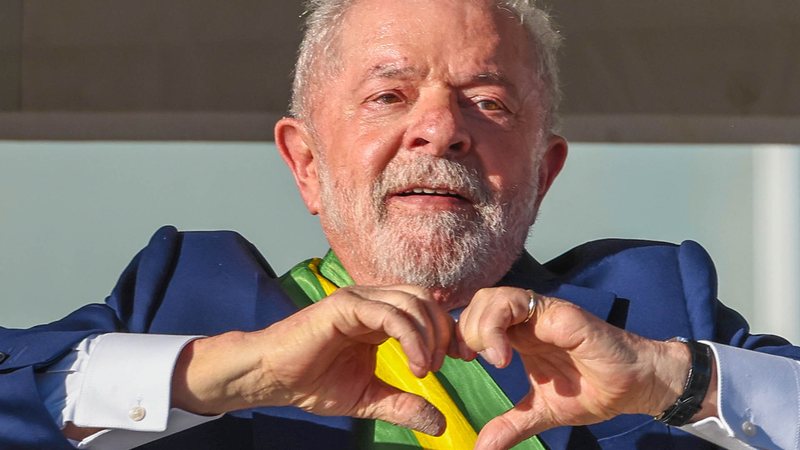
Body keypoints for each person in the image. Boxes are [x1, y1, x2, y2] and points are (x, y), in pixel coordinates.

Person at [2, 0, 800, 448]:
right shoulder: (179, 309)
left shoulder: (657, 309)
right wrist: (221, 375)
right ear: (305, 163)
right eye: (389, 95)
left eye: (488, 103)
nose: (440, 129)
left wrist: (676, 380)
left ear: (543, 172)